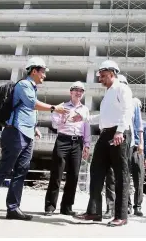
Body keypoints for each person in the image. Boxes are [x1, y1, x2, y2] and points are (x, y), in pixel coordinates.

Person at [0, 57, 70, 222]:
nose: (44, 76)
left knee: (21, 172)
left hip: (26, 134)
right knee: (3, 170)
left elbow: (24, 110)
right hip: (14, 133)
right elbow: (31, 104)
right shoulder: (23, 85)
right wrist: (54, 108)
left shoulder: (32, 87)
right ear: (34, 71)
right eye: (42, 72)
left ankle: (13, 208)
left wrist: (34, 128)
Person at [74, 60, 132, 227]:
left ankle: (121, 216)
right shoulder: (108, 94)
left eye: (104, 76)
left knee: (121, 175)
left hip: (118, 135)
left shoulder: (122, 88)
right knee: (96, 171)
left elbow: (127, 110)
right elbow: (104, 117)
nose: (101, 79)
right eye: (100, 76)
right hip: (105, 135)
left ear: (113, 74)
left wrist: (120, 131)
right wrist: (84, 117)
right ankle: (94, 212)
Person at [44, 81, 91, 216]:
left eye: (81, 91)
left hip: (77, 143)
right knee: (56, 174)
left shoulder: (85, 109)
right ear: (70, 92)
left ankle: (67, 207)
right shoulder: (61, 107)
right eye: (76, 90)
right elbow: (54, 123)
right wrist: (62, 119)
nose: (78, 93)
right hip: (63, 140)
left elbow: (86, 127)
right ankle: (50, 206)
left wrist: (87, 145)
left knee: (74, 176)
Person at [104, 95, 146, 218]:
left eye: (139, 107)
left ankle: (138, 206)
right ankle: (128, 205)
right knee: (125, 178)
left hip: (138, 151)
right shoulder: (125, 120)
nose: (137, 109)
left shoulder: (143, 124)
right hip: (127, 149)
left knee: (139, 180)